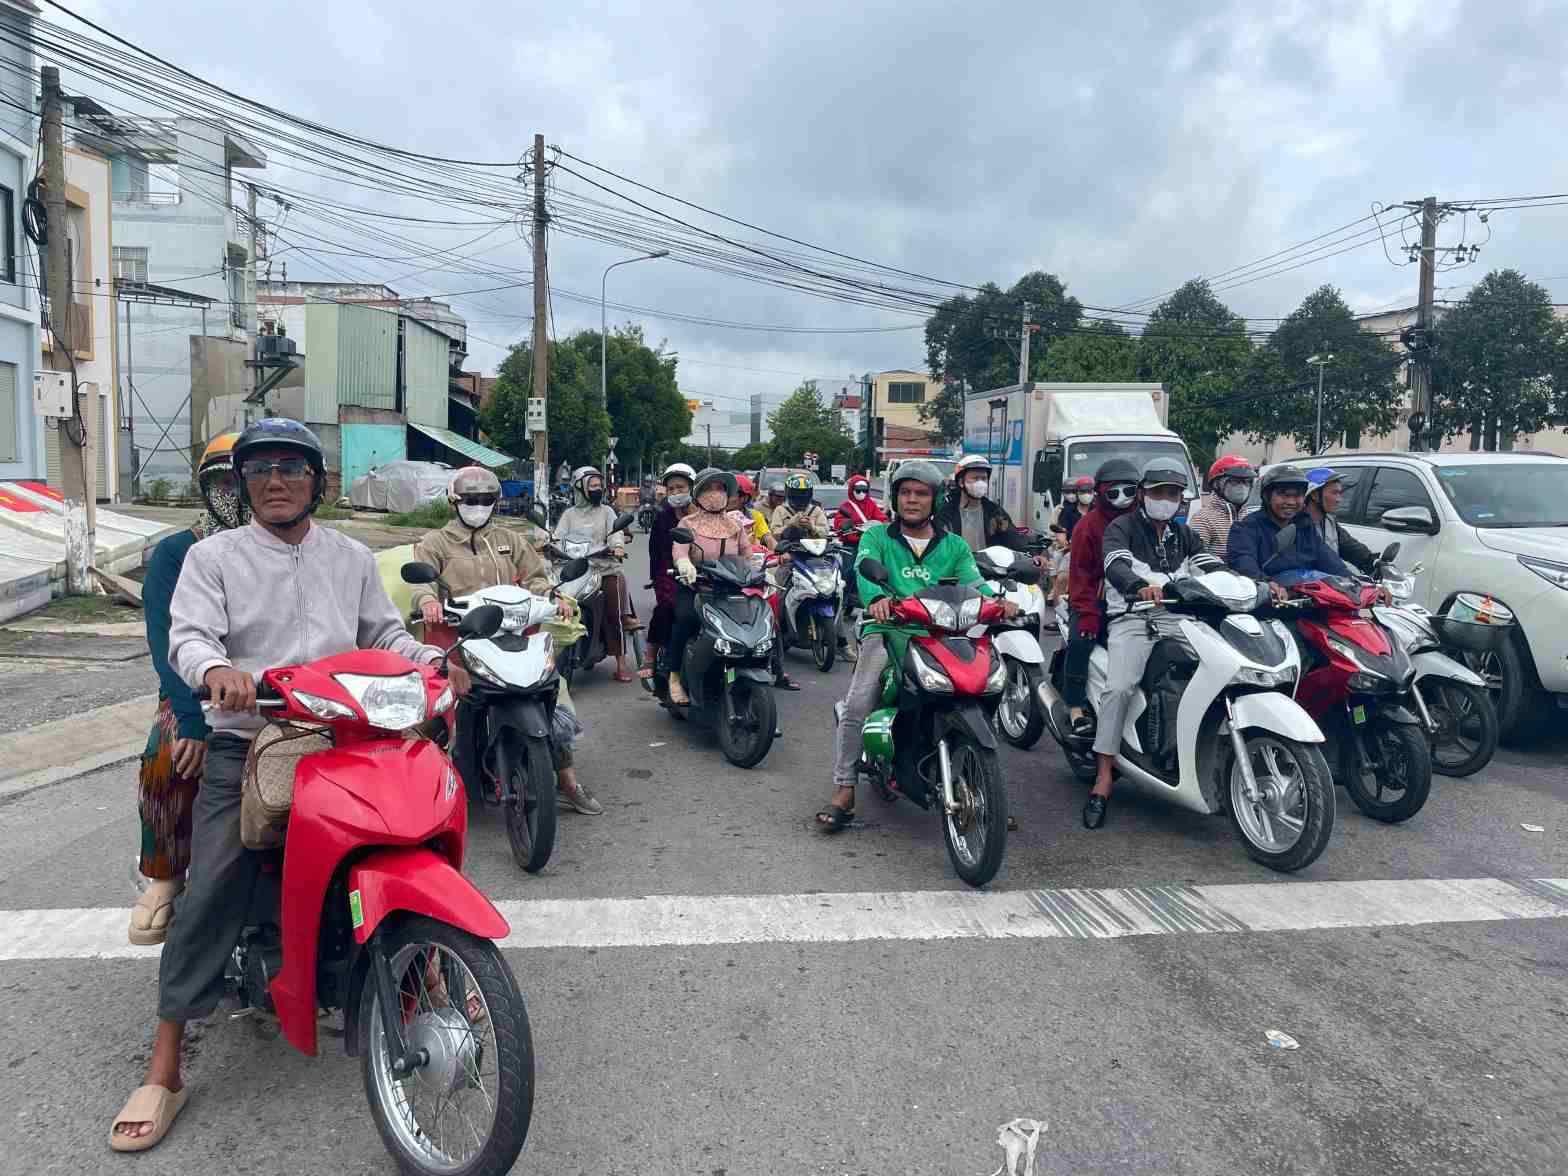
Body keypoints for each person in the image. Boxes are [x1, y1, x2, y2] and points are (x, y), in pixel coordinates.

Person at [110, 418, 449, 1153]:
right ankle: (165, 1062)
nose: (274, 482)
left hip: (348, 735)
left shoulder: (351, 556)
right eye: (259, 471)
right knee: (214, 886)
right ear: (241, 484)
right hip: (251, 741)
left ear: (315, 482)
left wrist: (427, 658)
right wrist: (215, 672)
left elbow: (382, 635)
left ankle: (427, 969)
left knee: (415, 831)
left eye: (291, 469)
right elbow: (188, 636)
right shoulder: (214, 558)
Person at [815, 460, 1018, 832]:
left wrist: (998, 602)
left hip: (945, 635)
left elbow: (975, 583)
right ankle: (845, 788)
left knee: (984, 690)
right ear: (895, 497)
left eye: (921, 493)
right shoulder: (878, 537)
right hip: (890, 631)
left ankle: (987, 785)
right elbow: (866, 569)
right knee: (859, 703)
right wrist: (877, 600)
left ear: (935, 499)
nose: (912, 500)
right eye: (905, 492)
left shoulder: (953, 545)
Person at [410, 466, 599, 816]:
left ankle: (568, 780)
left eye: (485, 500)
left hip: (512, 635)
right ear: (455, 501)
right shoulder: (435, 542)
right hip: (461, 636)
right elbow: (421, 584)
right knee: (435, 702)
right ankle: (424, 785)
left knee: (552, 690)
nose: (478, 505)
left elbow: (536, 578)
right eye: (470, 499)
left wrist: (551, 597)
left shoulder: (511, 539)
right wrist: (428, 602)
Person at [130, 432, 244, 947]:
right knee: (167, 757)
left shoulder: (296, 547)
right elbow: (166, 645)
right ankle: (165, 874)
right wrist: (194, 722)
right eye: (224, 480)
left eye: (244, 479)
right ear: (206, 486)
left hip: (281, 692)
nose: (235, 491)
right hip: (195, 691)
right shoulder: (177, 552)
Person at [1087, 458, 1227, 829]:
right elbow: (1115, 566)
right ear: (1144, 495)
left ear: (1181, 499)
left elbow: (1211, 565)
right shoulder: (1123, 527)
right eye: (1158, 492)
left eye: (1173, 493)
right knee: (1118, 689)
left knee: (1225, 667)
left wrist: (1239, 584)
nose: (1165, 499)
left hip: (1178, 618)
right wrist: (1137, 586)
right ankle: (1103, 777)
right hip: (1133, 617)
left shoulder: (1183, 535)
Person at [1062, 458, 1141, 737]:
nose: (1122, 499)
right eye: (1113, 492)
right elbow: (1081, 576)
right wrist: (1087, 613)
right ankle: (1075, 707)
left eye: (1129, 491)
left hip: (1137, 602)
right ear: (1100, 494)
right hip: (1094, 601)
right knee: (1081, 642)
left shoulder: (1142, 521)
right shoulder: (1087, 526)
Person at [667, 468, 754, 705]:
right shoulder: (688, 522)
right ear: (698, 494)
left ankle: (766, 672)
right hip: (697, 586)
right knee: (685, 620)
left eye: (720, 489)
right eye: (709, 489)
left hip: (731, 589)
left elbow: (748, 554)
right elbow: (679, 550)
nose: (716, 494)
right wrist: (684, 564)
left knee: (759, 622)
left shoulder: (735, 525)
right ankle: (674, 676)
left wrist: (760, 568)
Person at [553, 465, 635, 682]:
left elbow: (616, 533)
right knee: (554, 602)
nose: (598, 489)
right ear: (579, 487)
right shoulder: (569, 514)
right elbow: (557, 536)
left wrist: (617, 547)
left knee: (612, 612)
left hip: (604, 568)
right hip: (575, 569)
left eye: (600, 485)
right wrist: (547, 544)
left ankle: (621, 662)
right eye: (593, 485)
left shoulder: (607, 512)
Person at [1226, 463, 1353, 591]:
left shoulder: (1305, 526)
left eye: (1297, 496)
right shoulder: (1247, 528)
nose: (1291, 502)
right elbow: (1243, 561)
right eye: (1284, 495)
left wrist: (1351, 580)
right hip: (1272, 602)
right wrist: (1265, 583)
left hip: (1311, 600)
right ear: (1267, 496)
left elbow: (1328, 559)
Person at [644, 462, 695, 683]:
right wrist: (660, 578)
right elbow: (656, 553)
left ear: (692, 488)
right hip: (670, 573)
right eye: (671, 488)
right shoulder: (663, 518)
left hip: (704, 575)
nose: (675, 492)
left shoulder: (704, 515)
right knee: (667, 607)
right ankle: (651, 654)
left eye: (680, 487)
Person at [938, 454, 1019, 554]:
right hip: (957, 567)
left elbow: (1013, 538)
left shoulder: (994, 512)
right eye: (975, 478)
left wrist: (1032, 556)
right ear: (961, 482)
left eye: (984, 479)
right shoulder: (947, 513)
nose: (980, 483)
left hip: (989, 568)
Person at [1305, 467, 1376, 575]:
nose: (1339, 500)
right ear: (1314, 495)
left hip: (1330, 583)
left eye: (1339, 493)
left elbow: (1350, 547)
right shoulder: (1298, 525)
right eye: (1334, 493)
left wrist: (1373, 561)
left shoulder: (1329, 521)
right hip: (1305, 586)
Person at [1190, 455, 1256, 557]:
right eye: (1235, 481)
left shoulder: (1250, 518)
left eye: (1247, 482)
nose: (1242, 487)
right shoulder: (1203, 519)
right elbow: (1196, 560)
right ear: (1217, 484)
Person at [770, 472, 830, 538]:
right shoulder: (780, 510)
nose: (800, 497)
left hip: (812, 546)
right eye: (796, 493)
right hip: (789, 546)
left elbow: (826, 533)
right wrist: (790, 525)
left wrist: (812, 527)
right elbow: (774, 534)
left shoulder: (816, 510)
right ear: (788, 493)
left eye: (804, 493)